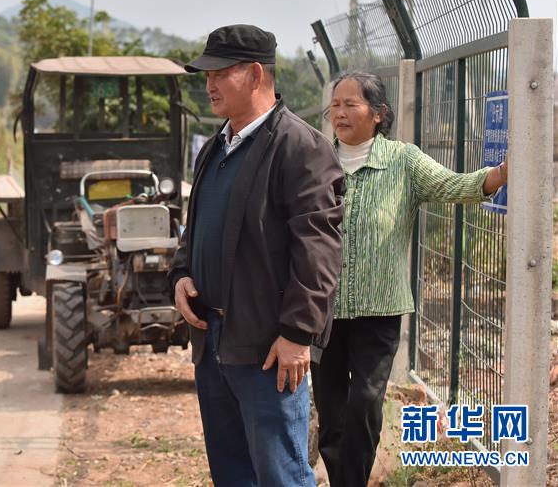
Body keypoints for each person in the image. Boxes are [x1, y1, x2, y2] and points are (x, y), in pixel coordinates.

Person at [312, 70, 508, 487]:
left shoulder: (404, 160)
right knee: (331, 411)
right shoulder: (315, 158)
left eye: (351, 104)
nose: (339, 113)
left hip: (378, 310)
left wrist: (501, 173)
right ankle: (342, 478)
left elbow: (455, 185)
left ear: (379, 113)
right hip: (321, 309)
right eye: (336, 104)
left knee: (364, 403)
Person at [169, 24, 345, 486]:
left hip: (269, 348)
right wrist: (182, 274)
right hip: (215, 342)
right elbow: (196, 225)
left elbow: (319, 250)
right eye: (205, 74)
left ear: (253, 74)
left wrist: (297, 334)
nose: (208, 85)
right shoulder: (214, 149)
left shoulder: (301, 149)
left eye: (218, 73)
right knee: (232, 472)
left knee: (280, 473)